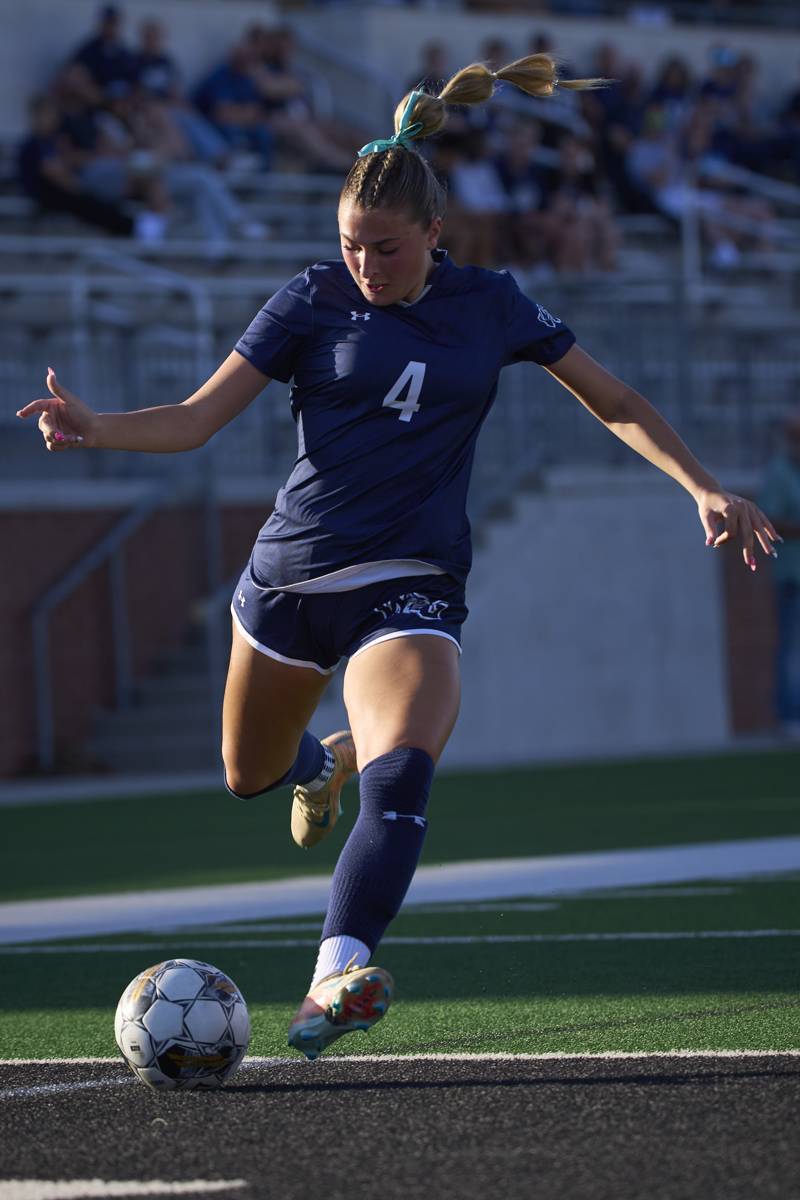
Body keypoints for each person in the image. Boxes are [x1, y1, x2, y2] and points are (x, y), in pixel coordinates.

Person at [17, 53, 780, 1061]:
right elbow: (196, 420)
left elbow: (612, 399)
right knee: (248, 774)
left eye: (383, 247)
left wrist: (700, 483)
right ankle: (314, 764)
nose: (365, 267)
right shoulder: (307, 301)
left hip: (408, 587)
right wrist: (95, 426)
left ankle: (335, 970)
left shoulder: (492, 304)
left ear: (434, 235)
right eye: (350, 247)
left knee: (406, 768)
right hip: (287, 581)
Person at [759, 413, 800, 738]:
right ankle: (789, 718)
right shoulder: (779, 474)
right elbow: (770, 522)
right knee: (791, 649)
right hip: (792, 576)